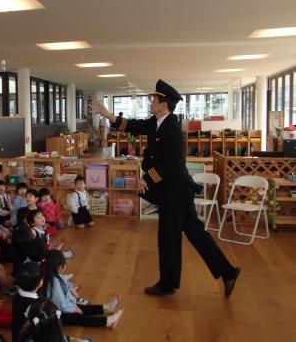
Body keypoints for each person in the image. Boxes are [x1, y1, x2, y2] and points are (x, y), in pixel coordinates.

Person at [94, 79, 241, 297]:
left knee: (169, 236)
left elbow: (172, 163)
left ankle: (168, 284)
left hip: (175, 190)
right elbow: (135, 125)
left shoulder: (171, 128)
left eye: (154, 99)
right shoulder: (157, 122)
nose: (150, 101)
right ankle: (227, 272)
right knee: (195, 232)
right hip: (175, 190)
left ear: (164, 105)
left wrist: (147, 178)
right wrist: (108, 116)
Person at [40, 250, 122, 329]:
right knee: (80, 318)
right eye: (64, 263)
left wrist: (74, 298)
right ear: (59, 267)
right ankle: (107, 322)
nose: (65, 265)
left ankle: (107, 308)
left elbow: (66, 286)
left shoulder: (53, 274)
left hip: (60, 307)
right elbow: (62, 304)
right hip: (57, 314)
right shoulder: (53, 283)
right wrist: (74, 308)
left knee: (82, 308)